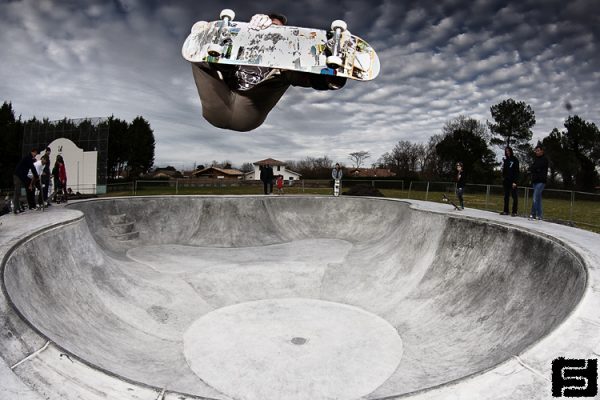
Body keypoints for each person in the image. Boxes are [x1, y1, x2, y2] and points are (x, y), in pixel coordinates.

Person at [190, 13, 347, 132]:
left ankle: (334, 59)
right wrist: (208, 35)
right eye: (270, 26)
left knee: (284, 71)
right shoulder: (241, 51)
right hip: (217, 109)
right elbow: (220, 67)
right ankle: (204, 41)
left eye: (277, 28)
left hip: (247, 117)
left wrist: (332, 77)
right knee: (200, 60)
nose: (272, 29)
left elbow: (305, 78)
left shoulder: (286, 63)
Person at [13, 148, 39, 213]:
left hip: (22, 177)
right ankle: (15, 209)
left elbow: (31, 167)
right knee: (17, 192)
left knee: (20, 192)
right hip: (18, 176)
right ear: (33, 152)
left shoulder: (29, 159)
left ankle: (18, 208)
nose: (36, 155)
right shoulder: (28, 158)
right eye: (35, 153)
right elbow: (33, 168)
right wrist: (36, 176)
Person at [529, 144, 549, 220]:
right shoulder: (536, 159)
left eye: (538, 151)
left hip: (541, 182)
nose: (536, 152)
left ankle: (533, 214)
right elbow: (532, 168)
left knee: (535, 197)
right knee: (538, 199)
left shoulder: (544, 159)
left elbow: (536, 167)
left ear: (542, 151)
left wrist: (535, 169)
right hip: (535, 181)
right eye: (536, 151)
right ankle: (540, 216)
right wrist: (534, 169)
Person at [501, 146, 519, 216]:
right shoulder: (506, 160)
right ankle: (506, 211)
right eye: (506, 151)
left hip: (513, 181)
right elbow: (504, 170)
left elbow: (517, 171)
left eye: (508, 151)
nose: (507, 152)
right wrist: (503, 178)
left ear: (511, 151)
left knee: (514, 197)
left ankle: (514, 212)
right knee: (506, 196)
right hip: (506, 181)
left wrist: (515, 181)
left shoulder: (515, 159)